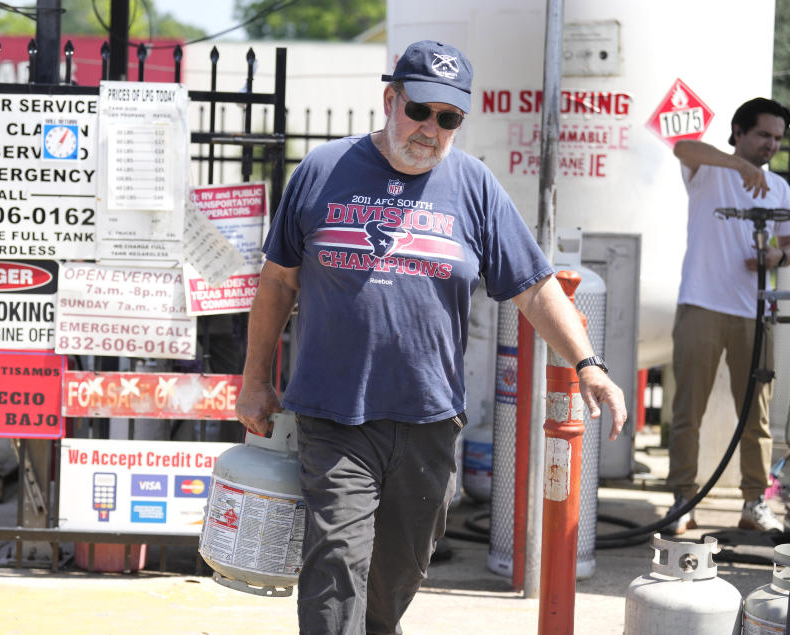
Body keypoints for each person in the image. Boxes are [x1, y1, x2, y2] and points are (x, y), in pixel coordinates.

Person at [235, 40, 627, 634]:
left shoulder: (473, 186)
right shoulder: (321, 171)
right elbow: (277, 286)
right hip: (335, 417)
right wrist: (255, 381)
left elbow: (535, 287)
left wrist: (588, 363)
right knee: (336, 566)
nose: (431, 129)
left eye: (449, 119)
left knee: (400, 573)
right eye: (420, 110)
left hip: (428, 421)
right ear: (390, 99)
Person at [666, 97, 790, 535]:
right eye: (762, 135)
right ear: (738, 131)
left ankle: (755, 502)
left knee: (755, 415)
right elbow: (683, 146)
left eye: (777, 138)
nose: (769, 145)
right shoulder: (710, 169)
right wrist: (740, 167)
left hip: (754, 310)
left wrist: (776, 255)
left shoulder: (780, 188)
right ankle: (683, 498)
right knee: (688, 409)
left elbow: (787, 242)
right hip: (702, 302)